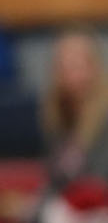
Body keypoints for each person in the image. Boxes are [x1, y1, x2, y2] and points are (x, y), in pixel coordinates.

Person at [41, 30, 108, 189]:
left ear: (95, 67)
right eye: (64, 68)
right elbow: (54, 182)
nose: (72, 76)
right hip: (67, 208)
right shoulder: (55, 115)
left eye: (79, 66)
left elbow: (98, 182)